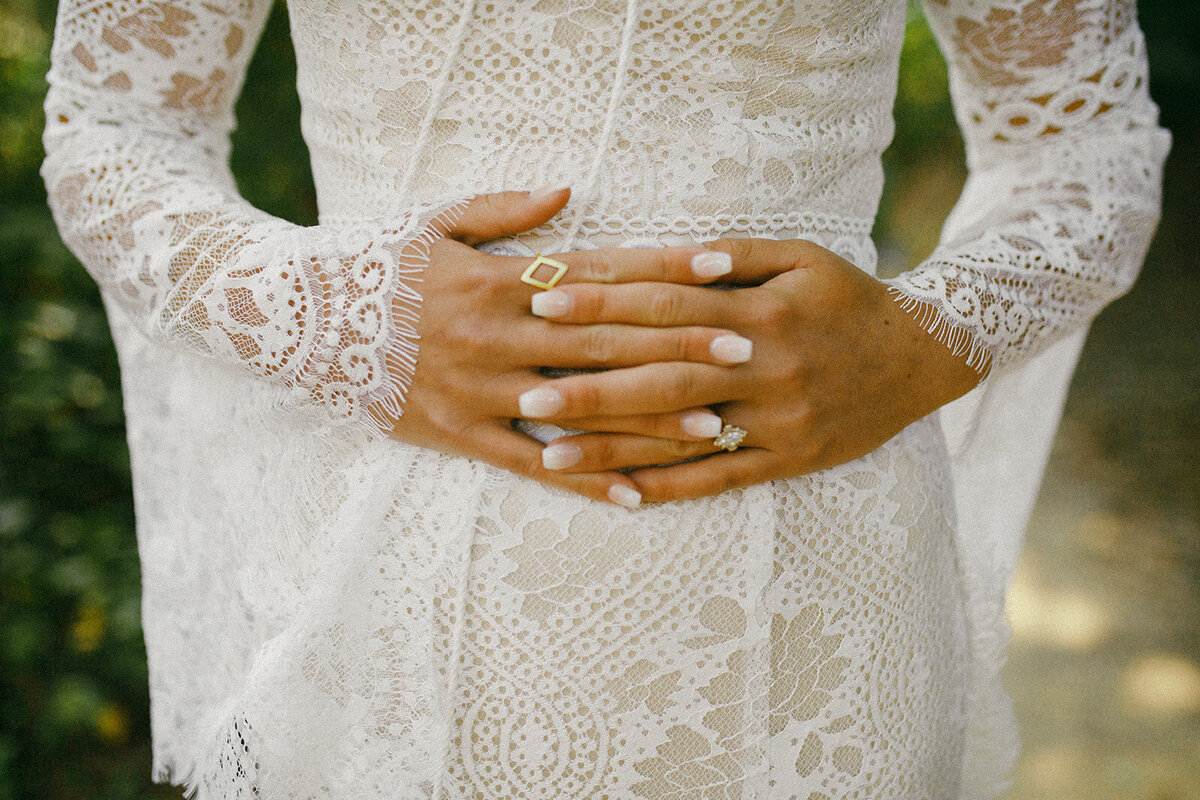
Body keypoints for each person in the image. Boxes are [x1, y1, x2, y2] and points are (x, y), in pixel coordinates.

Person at [41, 0, 1167, 797]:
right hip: (389, 588)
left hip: (818, 604)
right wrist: (339, 318)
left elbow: (1086, 141)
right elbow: (114, 124)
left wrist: (927, 340)